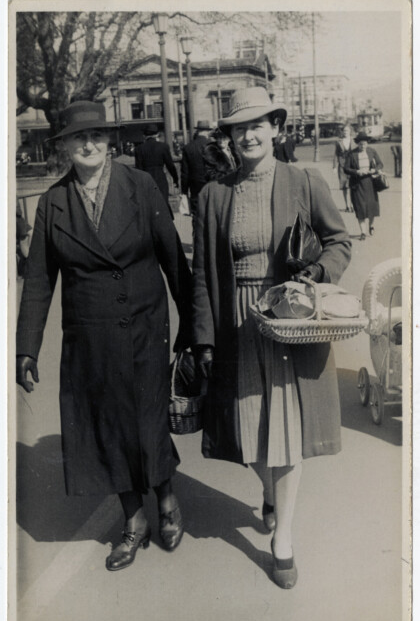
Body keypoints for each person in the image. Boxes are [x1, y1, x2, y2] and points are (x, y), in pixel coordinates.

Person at [16, 101, 192, 572]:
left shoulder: (141, 186)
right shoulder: (52, 202)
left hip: (144, 325)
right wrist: (26, 347)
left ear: (109, 141)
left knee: (148, 418)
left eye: (95, 135)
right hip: (89, 336)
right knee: (107, 426)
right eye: (79, 137)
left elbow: (174, 259)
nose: (88, 144)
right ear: (65, 147)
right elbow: (38, 280)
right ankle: (135, 520)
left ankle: (167, 499)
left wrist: (195, 327)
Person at [191, 87, 351, 589]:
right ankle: (269, 493)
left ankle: (283, 539)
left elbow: (339, 242)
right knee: (247, 431)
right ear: (230, 137)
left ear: (276, 128)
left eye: (258, 125)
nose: (248, 135)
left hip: (287, 319)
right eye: (239, 128)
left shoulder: (304, 181)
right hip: (237, 322)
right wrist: (203, 336)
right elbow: (202, 275)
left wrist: (317, 274)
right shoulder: (213, 196)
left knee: (284, 431)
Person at [344, 131, 384, 240]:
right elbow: (346, 168)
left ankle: (371, 225)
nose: (363, 146)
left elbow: (380, 164)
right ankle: (363, 232)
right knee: (360, 208)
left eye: (365, 144)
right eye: (361, 144)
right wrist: (357, 172)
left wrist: (374, 170)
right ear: (358, 143)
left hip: (370, 183)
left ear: (367, 143)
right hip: (357, 185)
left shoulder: (372, 151)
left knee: (371, 207)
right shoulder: (351, 154)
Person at [134, 124, 179, 214]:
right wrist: (175, 179)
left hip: (146, 179)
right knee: (163, 202)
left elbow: (138, 169)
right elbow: (170, 165)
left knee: (149, 204)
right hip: (160, 178)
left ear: (144, 135)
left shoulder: (139, 149)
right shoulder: (163, 147)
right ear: (157, 134)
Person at [180, 120, 212, 220]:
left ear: (197, 131)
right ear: (207, 132)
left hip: (195, 185)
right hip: (211, 183)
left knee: (197, 214)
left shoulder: (188, 147)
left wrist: (184, 191)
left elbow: (185, 172)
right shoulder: (212, 146)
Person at [332, 124, 354, 212]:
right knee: (344, 186)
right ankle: (347, 205)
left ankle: (352, 204)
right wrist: (334, 166)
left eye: (347, 130)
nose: (345, 132)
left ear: (350, 131)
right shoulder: (339, 142)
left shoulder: (354, 141)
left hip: (352, 166)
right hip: (342, 166)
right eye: (344, 131)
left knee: (352, 186)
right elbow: (336, 154)